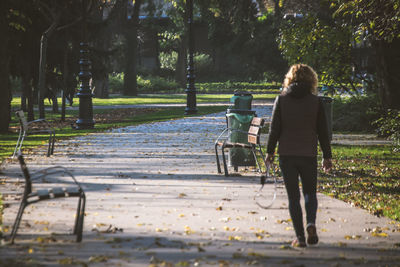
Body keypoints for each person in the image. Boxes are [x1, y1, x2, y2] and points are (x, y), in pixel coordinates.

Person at [266, 64, 333, 247]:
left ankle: (300, 238)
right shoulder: (316, 102)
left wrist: (270, 152)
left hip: (287, 154)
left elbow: (274, 130)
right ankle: (310, 223)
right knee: (310, 192)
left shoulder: (281, 100)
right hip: (308, 154)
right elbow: (323, 132)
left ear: (289, 78)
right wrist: (327, 156)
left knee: (293, 197)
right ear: (312, 79)